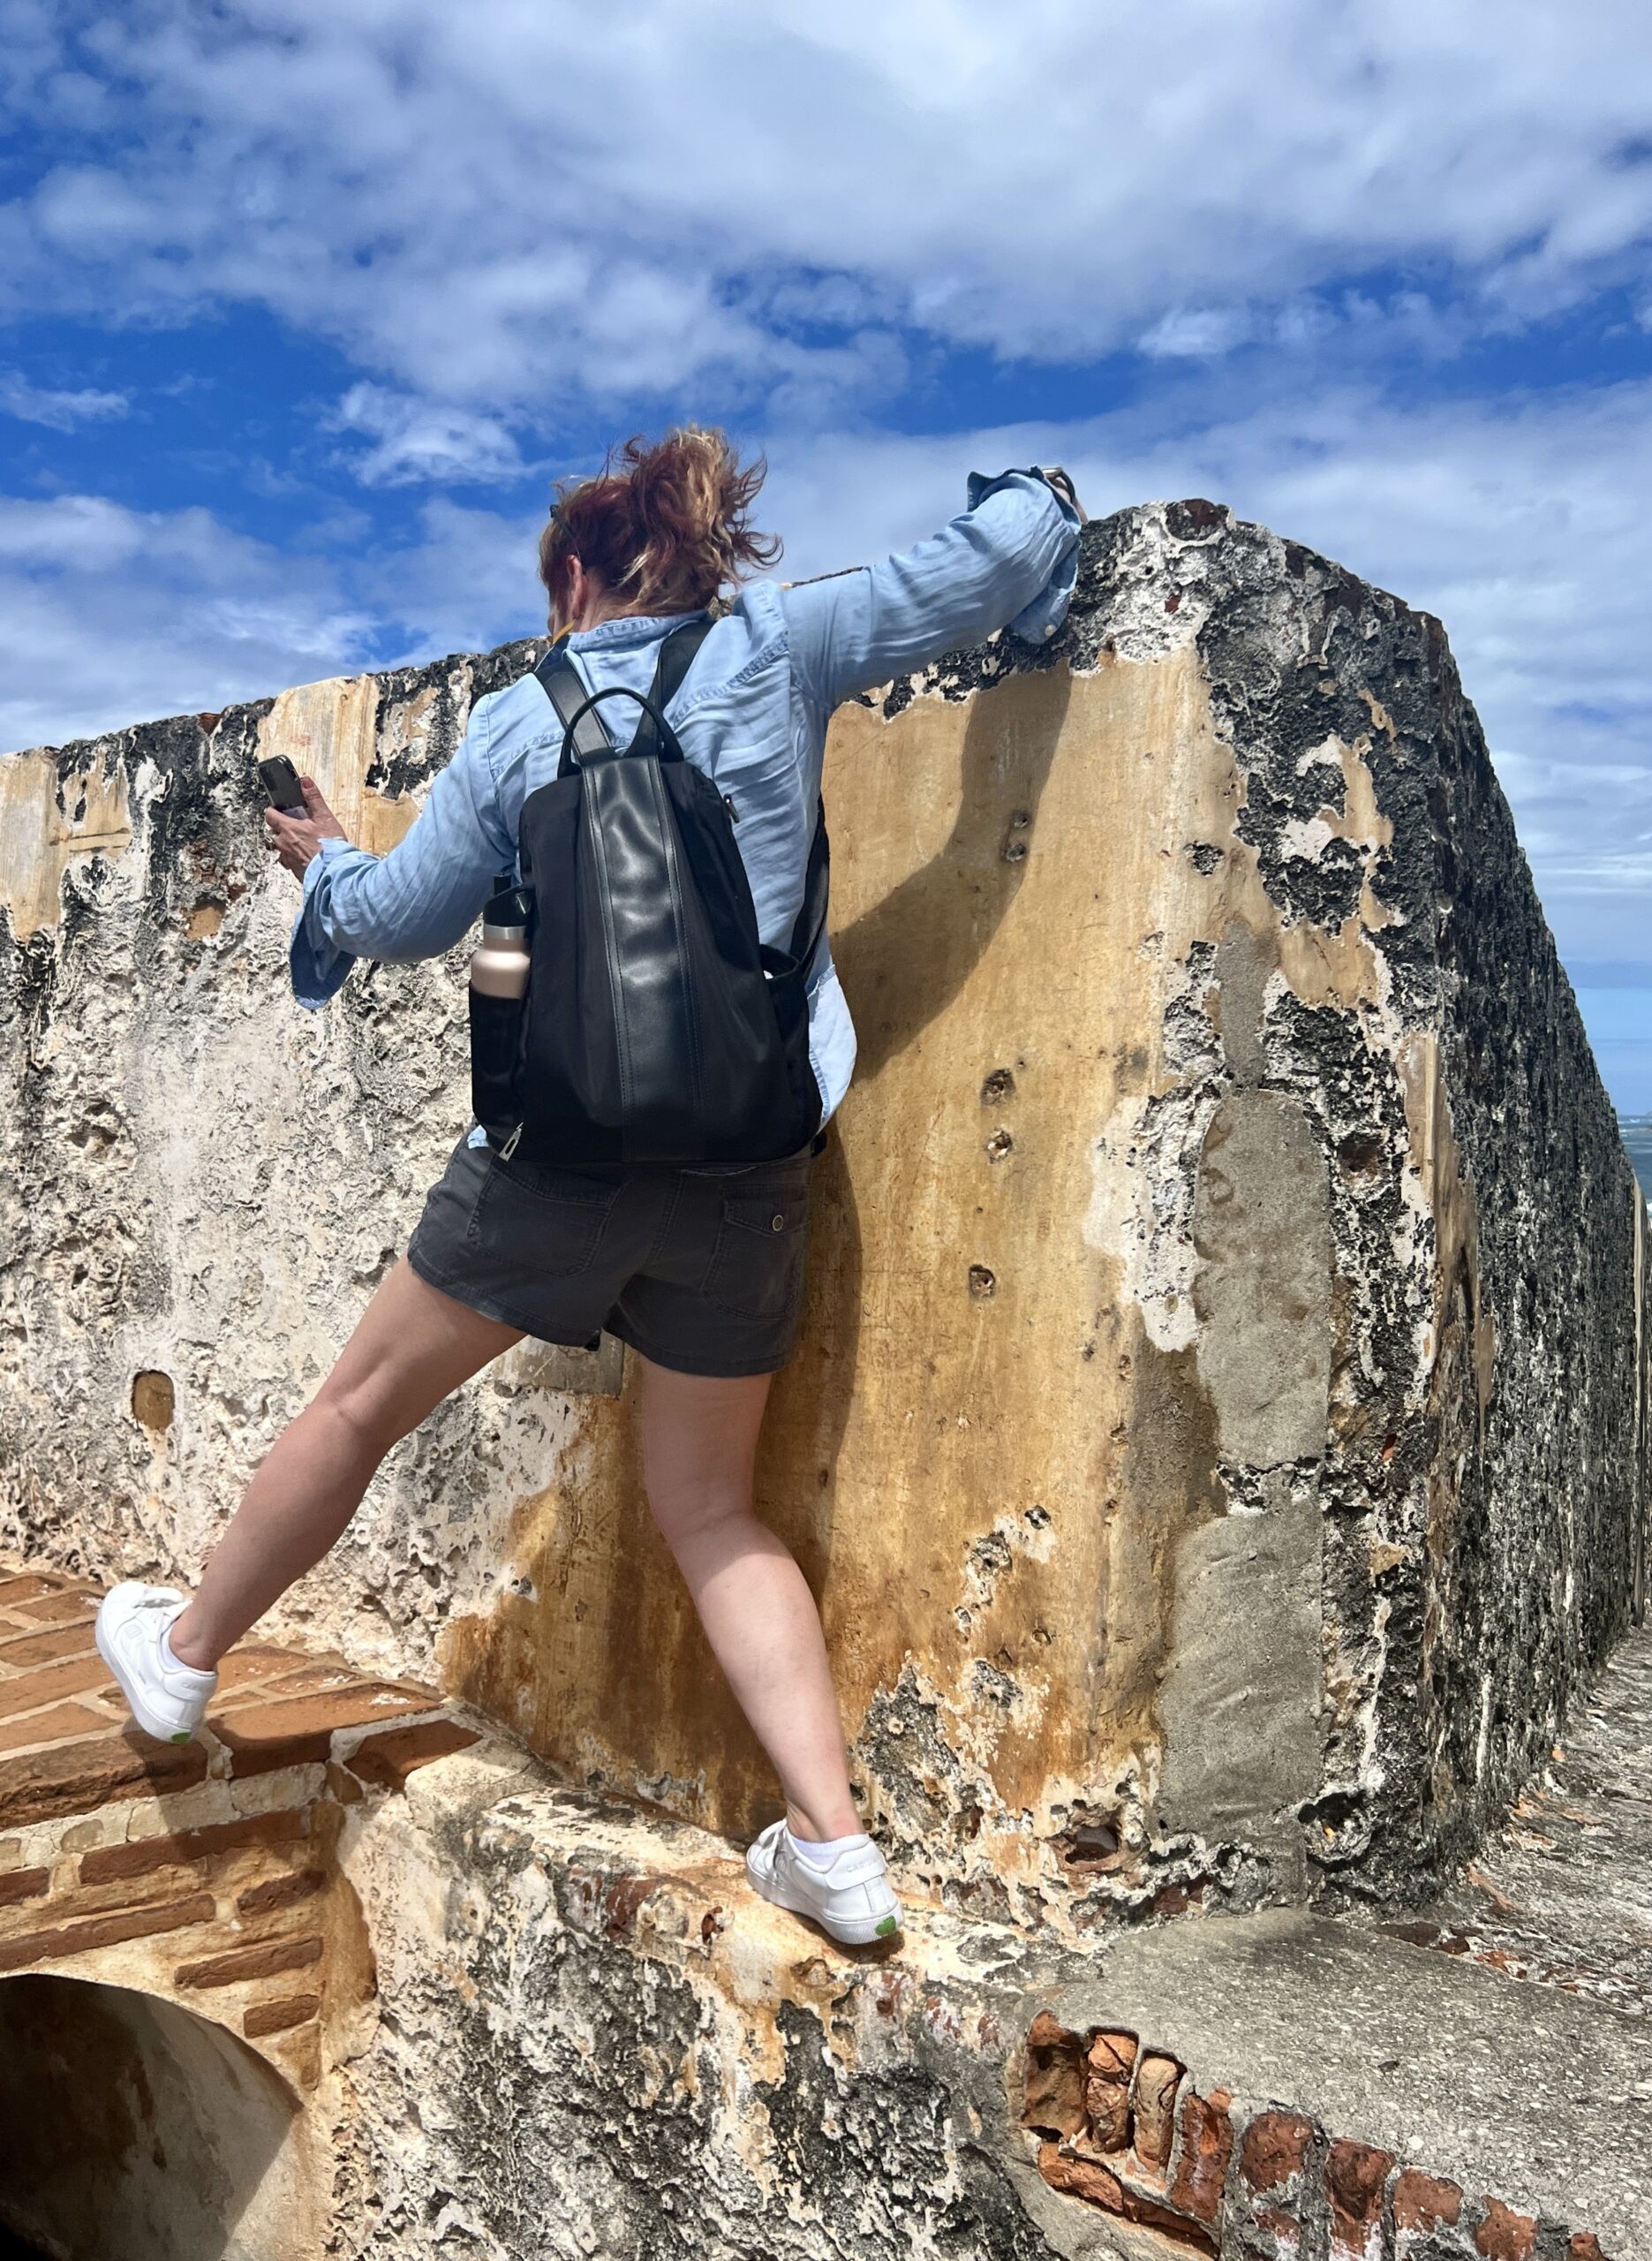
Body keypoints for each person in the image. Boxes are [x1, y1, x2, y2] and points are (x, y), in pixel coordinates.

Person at [94, 428, 1082, 1948]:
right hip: (747, 1168)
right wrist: (1034, 498)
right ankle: (838, 1852)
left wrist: (324, 867)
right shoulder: (781, 646)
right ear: (693, 554)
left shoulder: (508, 728)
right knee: (711, 1509)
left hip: (545, 1169)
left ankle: (184, 1655)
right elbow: (991, 570)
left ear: (570, 575)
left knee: (358, 1408)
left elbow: (406, 918)